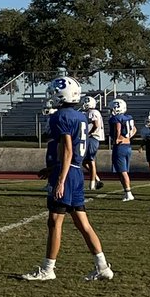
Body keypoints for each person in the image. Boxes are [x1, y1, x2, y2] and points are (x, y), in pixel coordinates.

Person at [20, 76, 114, 282]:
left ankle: (48, 269)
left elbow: (68, 150)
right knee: (82, 222)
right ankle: (102, 266)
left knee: (54, 220)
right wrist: (52, 168)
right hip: (75, 171)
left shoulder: (59, 117)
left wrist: (60, 179)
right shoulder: (80, 116)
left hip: (67, 172)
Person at [107, 98, 136, 202]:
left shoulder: (116, 118)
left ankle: (128, 193)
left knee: (122, 171)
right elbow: (134, 129)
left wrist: (117, 139)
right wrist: (128, 137)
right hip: (128, 145)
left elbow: (118, 128)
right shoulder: (128, 117)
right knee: (123, 171)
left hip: (120, 146)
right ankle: (127, 192)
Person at [80, 95, 105, 191]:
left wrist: (89, 133)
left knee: (91, 160)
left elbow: (96, 125)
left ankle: (92, 184)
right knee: (84, 162)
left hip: (93, 137)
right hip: (92, 137)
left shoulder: (93, 112)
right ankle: (97, 180)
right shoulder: (90, 112)